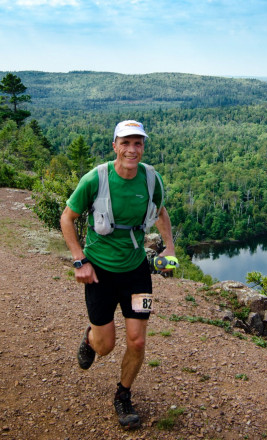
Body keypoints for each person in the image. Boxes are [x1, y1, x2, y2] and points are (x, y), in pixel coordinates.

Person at [60, 120, 176, 430]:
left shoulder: (152, 179)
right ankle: (90, 338)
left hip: (137, 273)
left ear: (143, 147)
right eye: (125, 142)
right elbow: (67, 218)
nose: (131, 149)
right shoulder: (95, 179)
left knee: (137, 341)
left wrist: (170, 248)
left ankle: (123, 395)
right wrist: (78, 260)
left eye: (137, 143)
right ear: (115, 146)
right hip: (100, 274)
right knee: (106, 346)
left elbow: (160, 210)